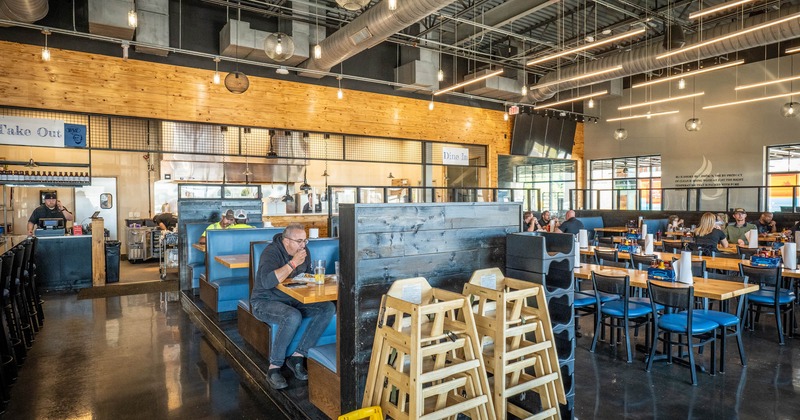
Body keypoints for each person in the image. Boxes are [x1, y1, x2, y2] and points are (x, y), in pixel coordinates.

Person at [252, 224, 335, 390]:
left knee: (328, 308)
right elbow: (268, 282)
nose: (303, 245)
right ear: (286, 241)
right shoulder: (271, 252)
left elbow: (306, 276)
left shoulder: (304, 252)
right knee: (292, 316)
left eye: (305, 240)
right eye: (299, 241)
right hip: (265, 301)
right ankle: (274, 368)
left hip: (292, 298)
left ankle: (297, 356)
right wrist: (293, 263)